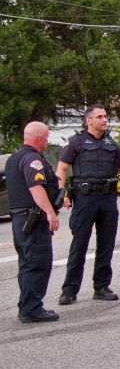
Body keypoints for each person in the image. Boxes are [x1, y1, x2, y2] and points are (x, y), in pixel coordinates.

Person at [55, 105, 120, 305]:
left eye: (105, 116)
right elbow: (62, 168)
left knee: (106, 244)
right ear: (89, 121)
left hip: (108, 198)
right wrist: (61, 194)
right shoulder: (76, 141)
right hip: (85, 198)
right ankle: (69, 290)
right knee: (79, 244)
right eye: (100, 117)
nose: (104, 120)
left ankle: (101, 287)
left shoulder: (112, 142)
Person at [6, 122, 61, 322]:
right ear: (40, 139)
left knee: (27, 263)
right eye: (46, 139)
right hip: (33, 219)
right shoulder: (32, 159)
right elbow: (36, 188)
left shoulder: (14, 158)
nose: (46, 142)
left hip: (20, 219)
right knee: (38, 263)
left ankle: (27, 304)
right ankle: (31, 309)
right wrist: (50, 212)